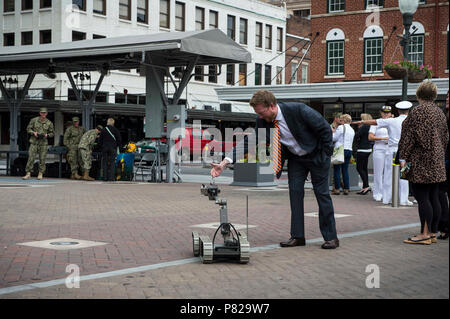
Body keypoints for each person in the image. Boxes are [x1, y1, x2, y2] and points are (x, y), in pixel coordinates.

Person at [210, 90, 339, 249]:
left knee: (322, 194)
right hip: (296, 159)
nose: (260, 116)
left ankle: (331, 237)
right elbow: (250, 141)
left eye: (261, 113)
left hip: (316, 155)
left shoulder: (298, 110)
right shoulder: (263, 121)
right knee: (295, 195)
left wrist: (325, 154)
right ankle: (298, 236)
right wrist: (224, 163)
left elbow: (325, 129)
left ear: (271, 106)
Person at [398, 81, 448, 245]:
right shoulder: (440, 113)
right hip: (437, 160)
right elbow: (446, 137)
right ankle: (432, 232)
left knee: (422, 197)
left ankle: (424, 234)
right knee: (434, 196)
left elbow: (408, 138)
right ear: (433, 95)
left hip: (420, 160)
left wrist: (403, 159)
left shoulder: (417, 112)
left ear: (419, 94)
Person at [354, 101, 412, 205]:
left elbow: (375, 122)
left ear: (398, 111)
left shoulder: (392, 121)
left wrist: (362, 122)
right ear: (409, 110)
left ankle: (387, 198)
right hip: (406, 151)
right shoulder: (412, 121)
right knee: (404, 175)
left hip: (392, 150)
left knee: (389, 175)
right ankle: (404, 199)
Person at [23, 107, 54, 180]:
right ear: (40, 113)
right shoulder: (34, 120)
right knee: (31, 157)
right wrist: (33, 132)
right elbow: (28, 129)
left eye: (45, 113)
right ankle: (28, 173)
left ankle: (40, 173)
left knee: (42, 159)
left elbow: (52, 133)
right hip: (34, 142)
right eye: (42, 112)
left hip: (43, 143)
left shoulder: (49, 123)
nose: (43, 114)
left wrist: (47, 135)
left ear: (47, 113)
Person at [368, 106, 391, 201]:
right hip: (379, 149)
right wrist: (383, 138)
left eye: (387, 112)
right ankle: (377, 193)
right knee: (378, 172)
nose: (386, 114)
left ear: (390, 113)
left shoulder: (392, 122)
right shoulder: (376, 123)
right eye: (384, 112)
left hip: (389, 149)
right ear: (381, 113)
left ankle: (387, 193)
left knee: (389, 173)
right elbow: (370, 137)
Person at [331, 114, 355, 195]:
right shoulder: (352, 129)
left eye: (341, 120)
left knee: (337, 170)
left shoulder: (341, 127)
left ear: (344, 120)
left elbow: (334, 138)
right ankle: (346, 188)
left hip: (341, 150)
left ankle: (337, 189)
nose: (340, 121)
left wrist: (333, 133)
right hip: (349, 150)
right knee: (345, 170)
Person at [437, 90, 449, 240]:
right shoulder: (442, 116)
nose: (447, 99)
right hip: (444, 160)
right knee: (440, 193)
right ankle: (444, 226)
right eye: (447, 96)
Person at [353, 113, 374, 195]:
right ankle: (365, 186)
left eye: (361, 118)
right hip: (368, 149)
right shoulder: (370, 126)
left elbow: (356, 136)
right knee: (364, 168)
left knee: (359, 168)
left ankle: (366, 186)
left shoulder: (364, 126)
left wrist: (357, 127)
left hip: (362, 149)